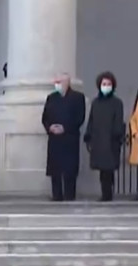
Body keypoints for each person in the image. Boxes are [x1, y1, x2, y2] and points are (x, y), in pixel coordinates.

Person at [43, 73, 87, 201]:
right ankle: (56, 195)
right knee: (55, 169)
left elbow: (80, 117)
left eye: (59, 82)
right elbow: (45, 117)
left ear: (67, 83)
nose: (57, 84)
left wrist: (65, 128)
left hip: (69, 138)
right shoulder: (51, 98)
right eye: (55, 82)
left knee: (69, 170)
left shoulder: (77, 97)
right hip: (54, 139)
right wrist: (50, 127)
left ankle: (69, 195)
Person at [84, 71, 126, 202]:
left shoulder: (117, 103)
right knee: (102, 170)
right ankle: (104, 193)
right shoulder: (96, 102)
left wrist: (117, 136)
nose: (106, 86)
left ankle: (108, 194)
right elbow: (91, 119)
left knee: (109, 169)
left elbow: (119, 121)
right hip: (98, 140)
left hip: (111, 141)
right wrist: (88, 136)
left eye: (108, 84)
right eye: (103, 84)